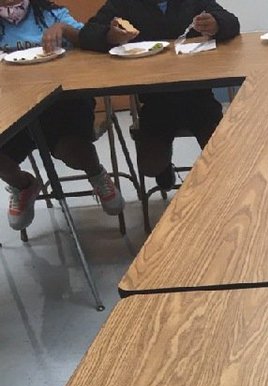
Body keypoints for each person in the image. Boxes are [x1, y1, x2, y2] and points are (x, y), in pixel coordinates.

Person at [79, 0, 240, 191]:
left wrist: (217, 24)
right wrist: (108, 35)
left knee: (224, 156)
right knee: (150, 165)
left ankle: (220, 190)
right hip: (155, 101)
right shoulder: (123, 3)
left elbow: (232, 23)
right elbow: (86, 35)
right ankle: (164, 168)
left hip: (198, 96)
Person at [0, 0, 122, 231]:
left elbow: (90, 40)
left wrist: (64, 29)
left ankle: (96, 174)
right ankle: (23, 185)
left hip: (63, 104)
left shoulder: (51, 14)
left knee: (72, 150)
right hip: (14, 105)